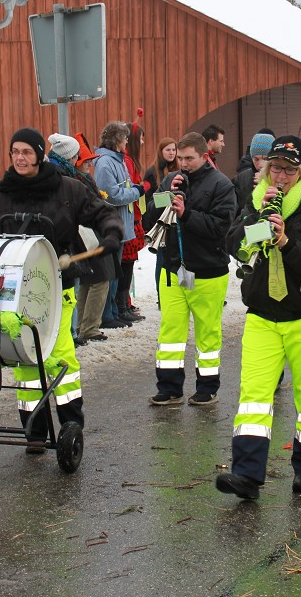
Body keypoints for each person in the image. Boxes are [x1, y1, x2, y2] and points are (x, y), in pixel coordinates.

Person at [0, 128, 123, 446]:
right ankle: (35, 431)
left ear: (40, 154)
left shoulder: (67, 189)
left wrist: (111, 233)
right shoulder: (1, 196)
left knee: (59, 354)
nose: (20, 158)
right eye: (15, 152)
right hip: (13, 293)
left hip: (57, 285)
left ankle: (71, 426)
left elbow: (102, 213)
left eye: (26, 151)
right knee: (25, 359)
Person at [216, 136, 301, 499]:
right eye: (275, 169)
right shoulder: (255, 204)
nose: (280, 176)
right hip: (263, 317)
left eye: (288, 170)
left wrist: (287, 242)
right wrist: (256, 220)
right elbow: (234, 245)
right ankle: (248, 475)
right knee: (253, 397)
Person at [148, 132, 236, 406]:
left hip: (207, 270)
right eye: (180, 158)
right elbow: (150, 214)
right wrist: (166, 195)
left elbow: (220, 228)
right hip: (171, 269)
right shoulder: (170, 180)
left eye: (189, 158)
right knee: (170, 332)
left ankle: (207, 387)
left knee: (207, 333)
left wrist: (186, 214)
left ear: (204, 156)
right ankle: (169, 387)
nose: (183, 163)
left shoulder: (221, 185)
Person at [94, 122, 143, 329]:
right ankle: (107, 315)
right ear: (116, 141)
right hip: (112, 226)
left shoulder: (118, 160)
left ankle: (114, 311)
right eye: (124, 138)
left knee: (116, 273)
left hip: (121, 225)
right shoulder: (106, 163)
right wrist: (136, 192)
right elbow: (111, 196)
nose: (127, 142)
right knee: (111, 273)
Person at [70, 134, 117, 345]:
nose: (90, 165)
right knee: (100, 279)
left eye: (90, 161)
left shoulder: (81, 180)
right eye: (85, 162)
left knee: (89, 281)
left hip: (86, 235)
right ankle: (89, 327)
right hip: (90, 235)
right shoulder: (80, 182)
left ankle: (83, 325)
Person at [118, 123, 147, 323]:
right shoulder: (127, 161)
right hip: (130, 217)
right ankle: (122, 305)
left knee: (129, 264)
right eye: (141, 138)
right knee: (126, 265)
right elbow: (129, 188)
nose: (143, 142)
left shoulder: (130, 160)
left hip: (134, 216)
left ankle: (125, 303)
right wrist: (142, 187)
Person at [233, 132, 275, 213]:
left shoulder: (282, 179)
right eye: (256, 159)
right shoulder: (241, 179)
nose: (260, 165)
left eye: (266, 159)